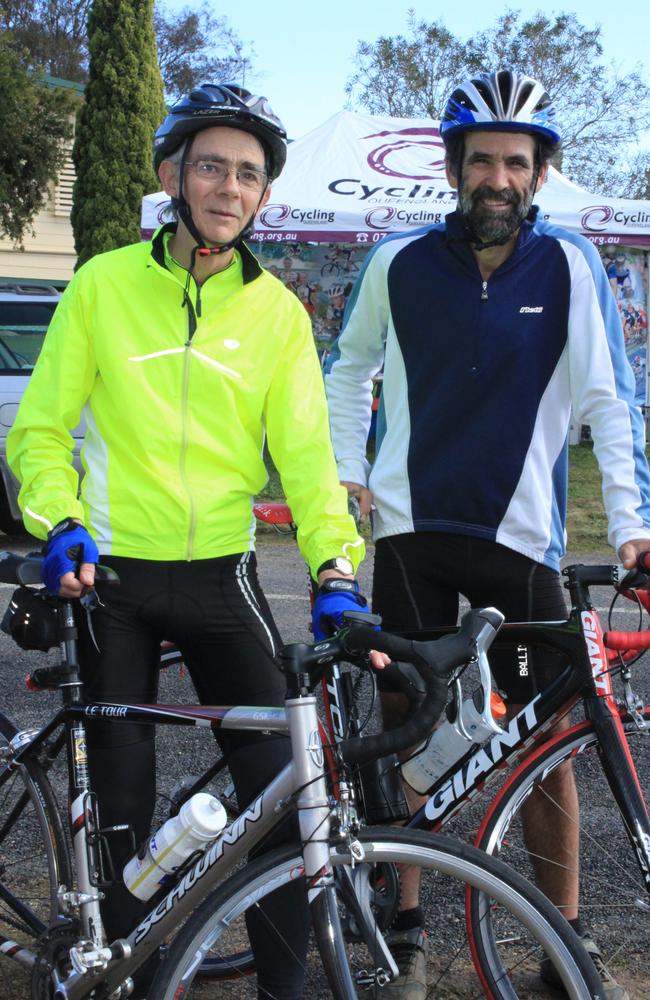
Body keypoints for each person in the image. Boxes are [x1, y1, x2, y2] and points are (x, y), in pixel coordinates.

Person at [7, 83, 377, 1000]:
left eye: (248, 174)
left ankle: (281, 992)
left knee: (284, 800)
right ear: (173, 175)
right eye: (212, 165)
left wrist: (335, 565)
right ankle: (127, 978)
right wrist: (58, 521)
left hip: (223, 575)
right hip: (113, 579)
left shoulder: (279, 315)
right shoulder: (101, 285)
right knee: (125, 814)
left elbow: (309, 462)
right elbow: (42, 432)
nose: (228, 186)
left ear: (261, 197)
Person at [324, 69, 650, 1000]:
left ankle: (563, 943)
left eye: (515, 161)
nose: (497, 177)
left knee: (548, 739)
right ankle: (411, 930)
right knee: (408, 733)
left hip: (521, 539)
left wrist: (632, 525)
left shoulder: (572, 264)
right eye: (480, 161)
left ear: (538, 174)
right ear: (454, 168)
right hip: (414, 533)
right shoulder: (398, 262)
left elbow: (609, 404)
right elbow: (349, 371)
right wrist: (347, 470)